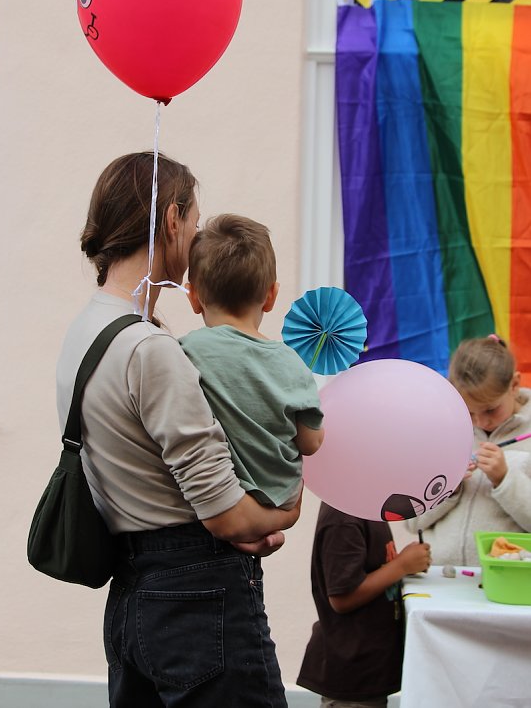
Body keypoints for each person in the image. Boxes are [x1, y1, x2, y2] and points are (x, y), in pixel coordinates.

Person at [56, 152, 303, 708]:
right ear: (171, 219)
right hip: (199, 598)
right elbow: (226, 514)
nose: (195, 238)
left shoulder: (89, 328)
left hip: (133, 597)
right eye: (193, 222)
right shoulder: (150, 348)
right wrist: (288, 502)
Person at [179, 213, 324, 509]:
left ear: (193, 297)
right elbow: (310, 443)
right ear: (270, 296)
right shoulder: (290, 363)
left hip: (214, 499)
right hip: (279, 500)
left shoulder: (184, 352)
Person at [407, 335, 531, 566]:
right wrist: (447, 488)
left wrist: (505, 480)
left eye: (490, 410)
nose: (481, 422)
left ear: (514, 385)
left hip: (507, 579)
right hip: (440, 578)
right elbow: (412, 522)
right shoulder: (445, 431)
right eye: (470, 412)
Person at [297, 503, 431, 708]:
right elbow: (343, 597)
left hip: (369, 666)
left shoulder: (366, 507)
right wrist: (401, 565)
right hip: (352, 673)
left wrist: (403, 565)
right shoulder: (343, 517)